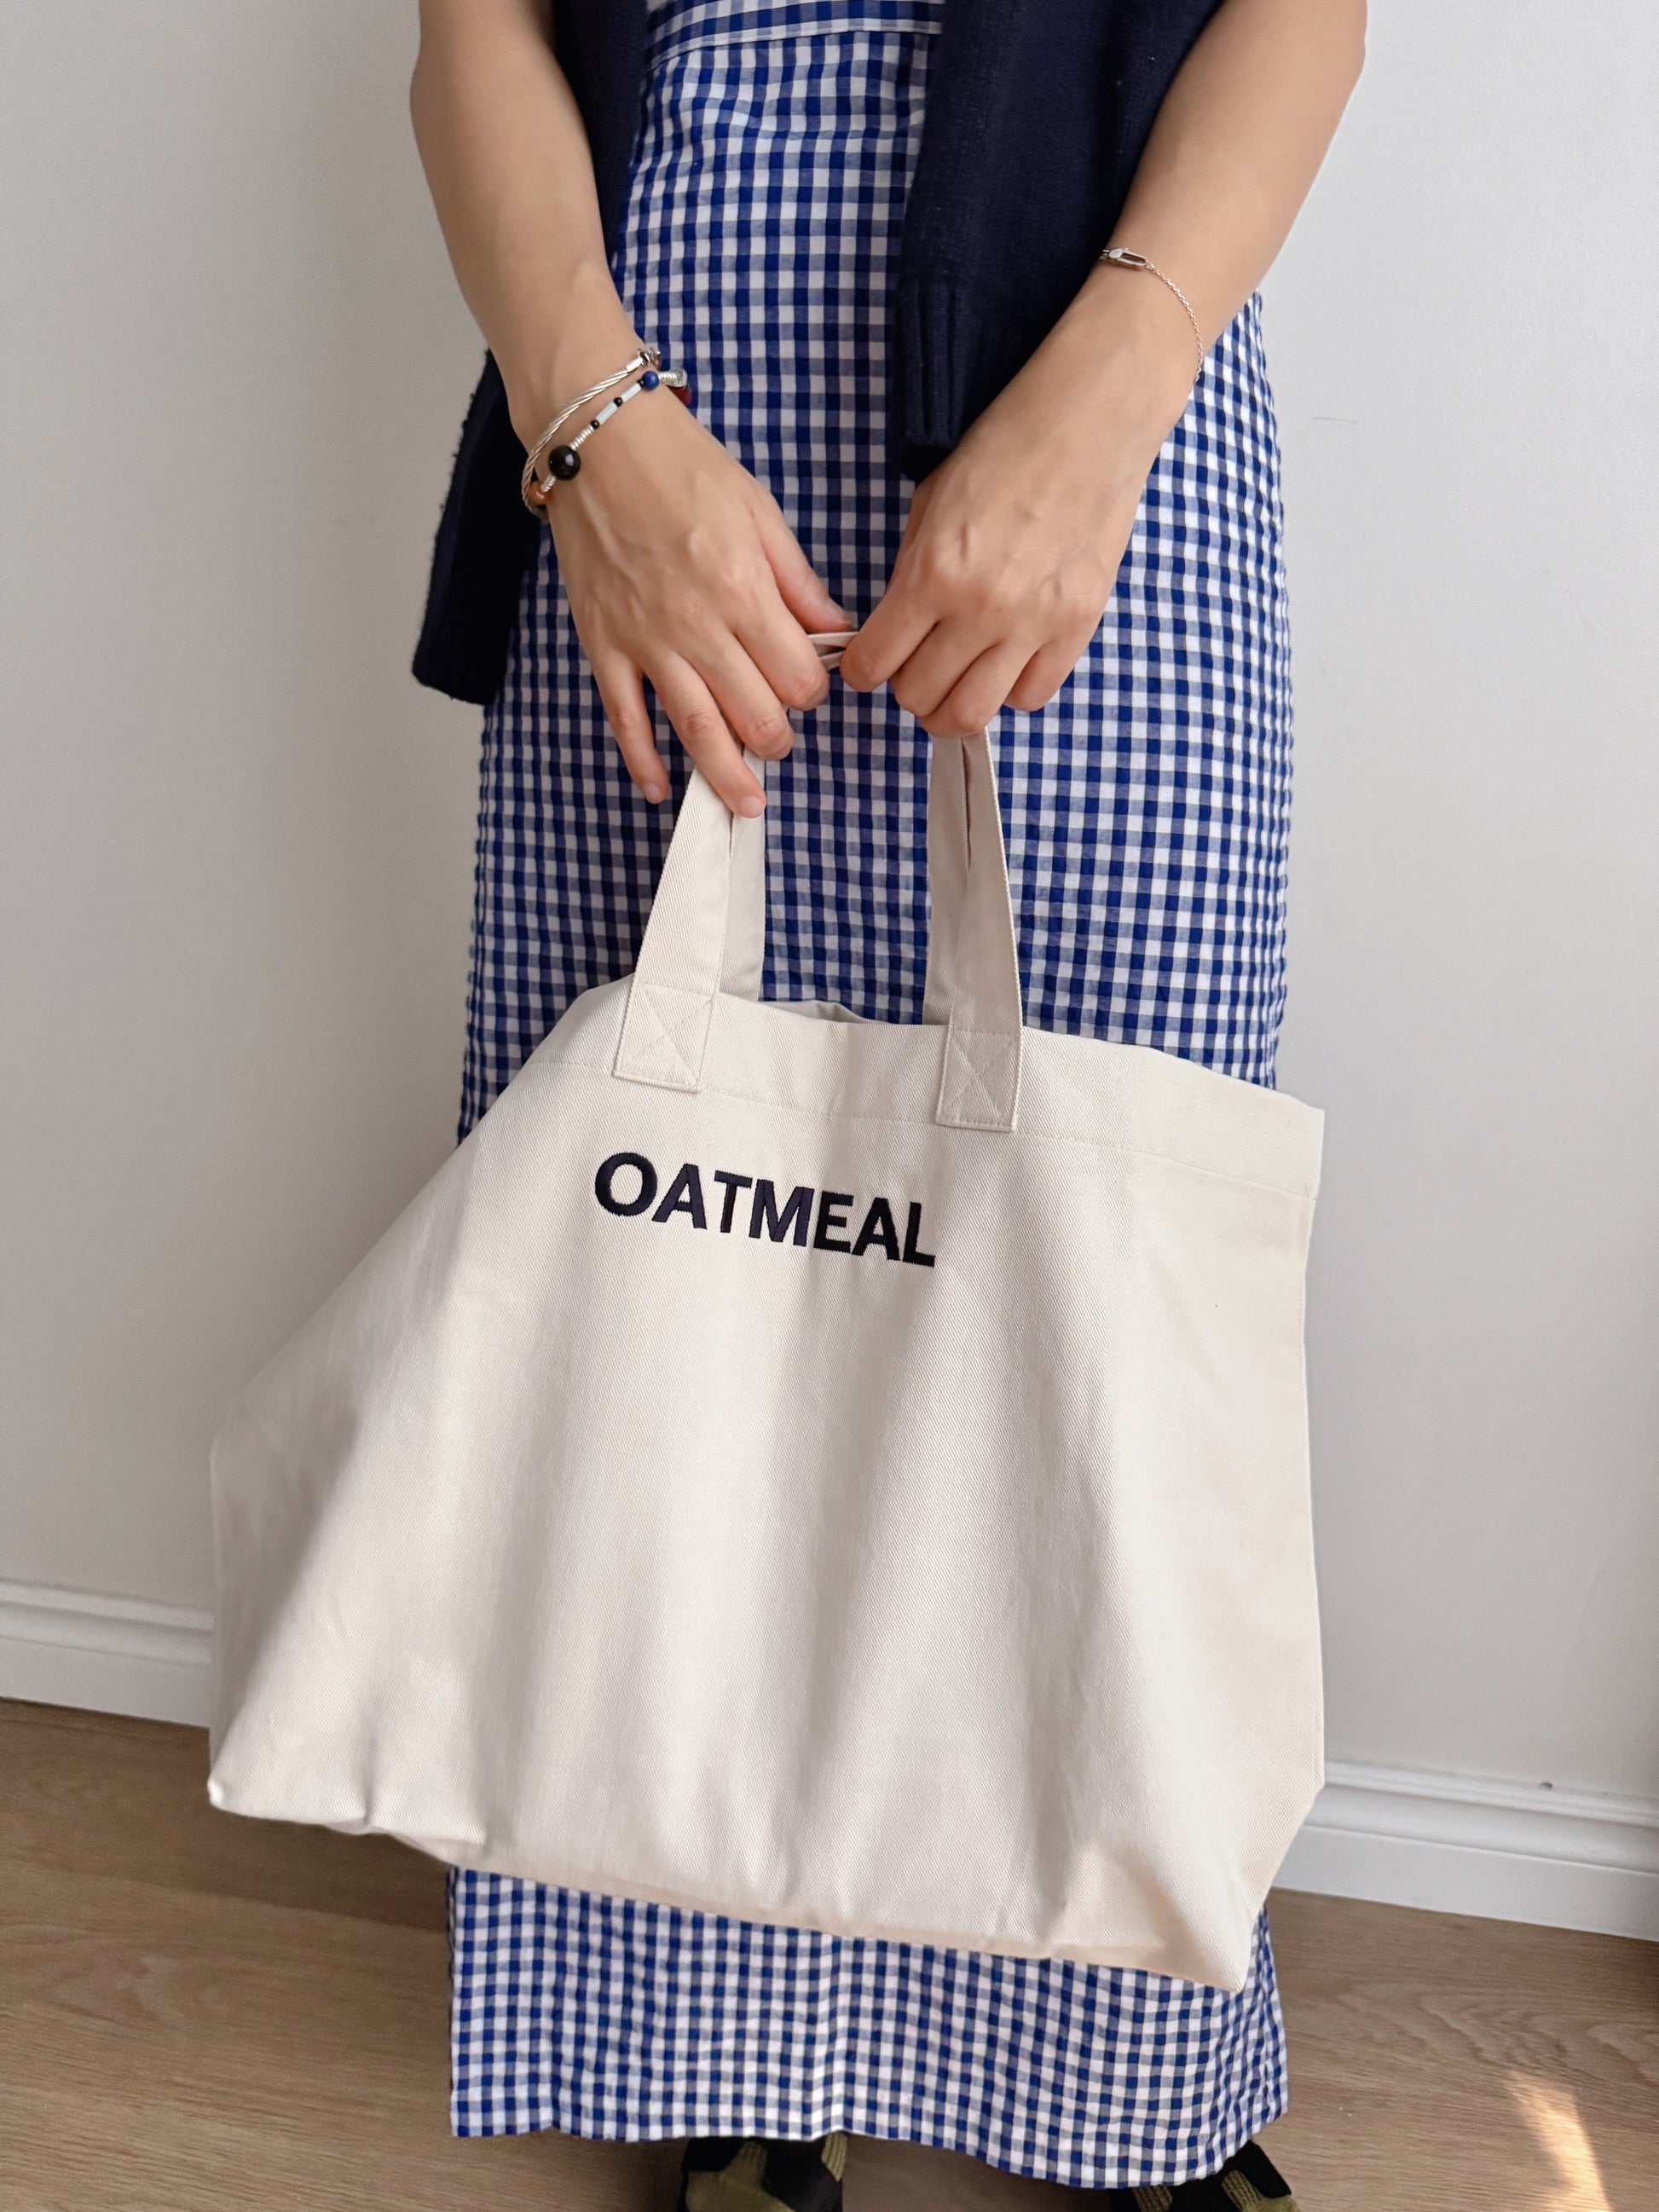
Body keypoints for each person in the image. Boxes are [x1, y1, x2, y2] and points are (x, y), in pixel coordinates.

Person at [408, 1, 1363, 2204]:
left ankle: (1126, 2062)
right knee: (665, 1312)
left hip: (1094, 429)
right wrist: (590, 427)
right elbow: (475, 31)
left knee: (1101, 1311)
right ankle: (716, 2038)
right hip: (646, 431)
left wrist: (1103, 408)